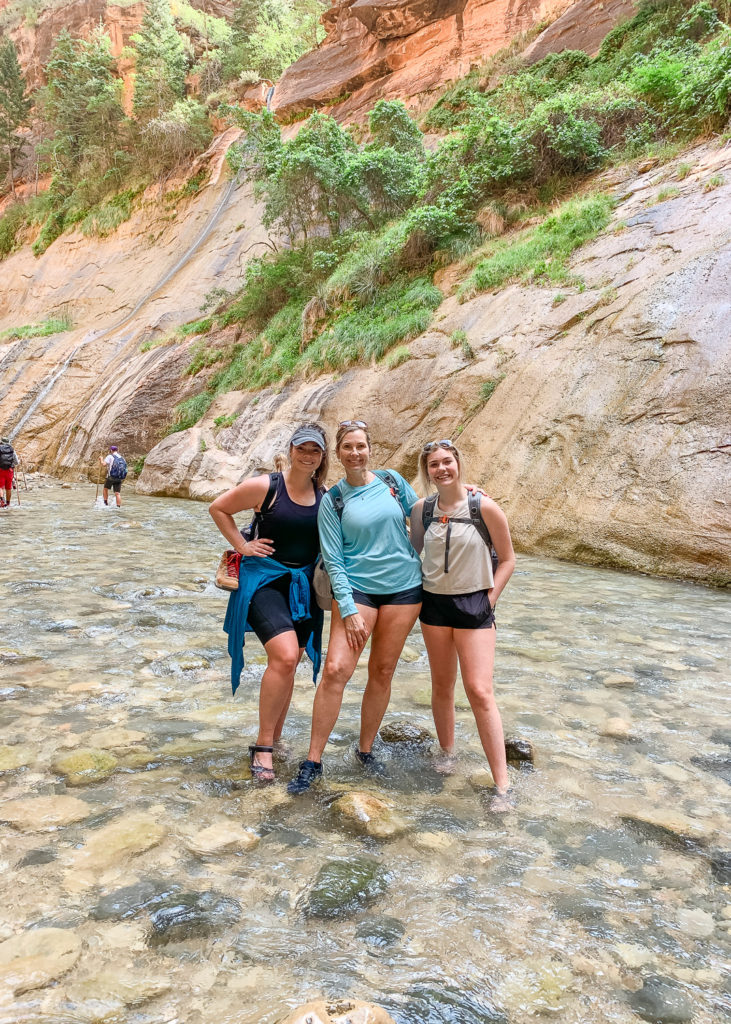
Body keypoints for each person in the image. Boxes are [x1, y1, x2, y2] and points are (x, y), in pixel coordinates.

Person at [288, 419, 423, 795]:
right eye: (347, 447)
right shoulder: (334, 500)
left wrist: (463, 496)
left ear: (369, 448)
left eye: (360, 445)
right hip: (359, 591)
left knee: (382, 669)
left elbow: (424, 517)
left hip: (405, 589)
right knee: (335, 671)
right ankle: (313, 760)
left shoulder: (393, 482)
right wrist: (346, 608)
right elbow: (333, 559)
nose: (355, 453)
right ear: (339, 453)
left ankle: (365, 750)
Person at [209, 423, 329, 782]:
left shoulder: (325, 496)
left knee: (290, 662)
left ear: (323, 457)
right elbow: (218, 509)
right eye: (302, 448)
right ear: (290, 450)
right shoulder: (267, 486)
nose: (307, 455)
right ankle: (263, 745)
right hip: (263, 580)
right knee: (286, 655)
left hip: (302, 586)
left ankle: (276, 738)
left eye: (315, 450)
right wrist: (243, 546)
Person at [410, 439, 516, 810]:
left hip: (475, 603)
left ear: (458, 464)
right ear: (427, 472)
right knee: (442, 684)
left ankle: (502, 786)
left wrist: (488, 601)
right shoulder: (421, 510)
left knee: (479, 691)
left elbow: (507, 560)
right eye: (434, 465)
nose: (441, 469)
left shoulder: (484, 506)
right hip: (434, 604)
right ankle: (447, 754)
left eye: (447, 462)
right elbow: (412, 552)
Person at [0, 437, 18, 508]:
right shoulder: (12, 449)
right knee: (8, 487)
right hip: (9, 471)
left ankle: (2, 500)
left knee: (0, 487)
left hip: (0, 470)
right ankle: (8, 503)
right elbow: (16, 462)